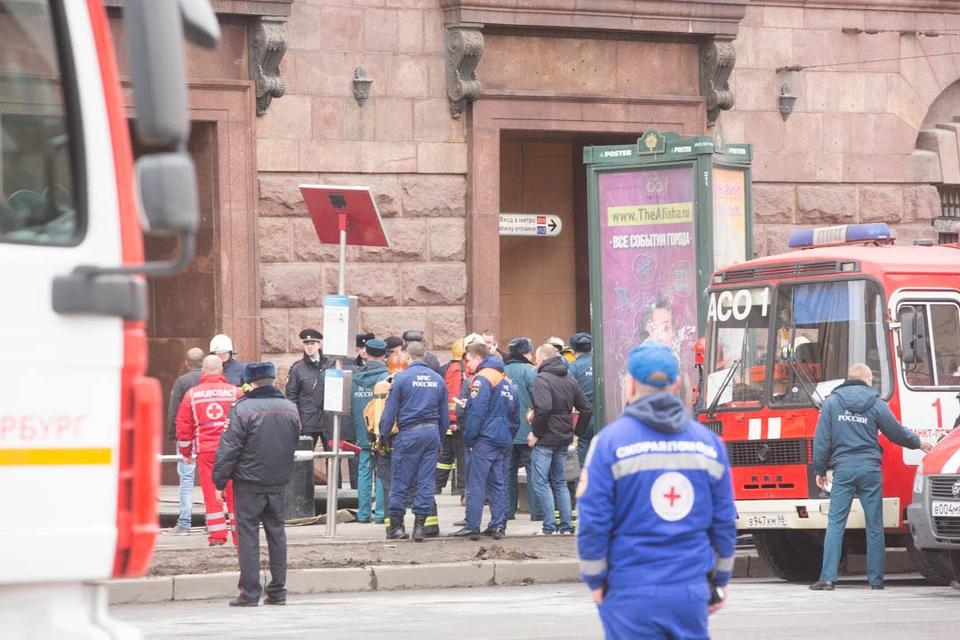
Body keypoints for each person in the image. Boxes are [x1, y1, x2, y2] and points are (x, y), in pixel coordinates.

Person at [577, 341, 737, 639]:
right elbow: (725, 521)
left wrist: (595, 579)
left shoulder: (610, 443)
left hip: (628, 590)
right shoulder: (709, 444)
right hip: (689, 591)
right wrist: (720, 579)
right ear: (676, 385)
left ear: (631, 385)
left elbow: (593, 521)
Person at [810, 364, 932, 591]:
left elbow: (821, 441)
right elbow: (895, 432)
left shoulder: (831, 403)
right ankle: (876, 580)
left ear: (848, 379)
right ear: (867, 380)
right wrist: (918, 442)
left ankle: (827, 578)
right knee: (874, 525)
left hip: (843, 470)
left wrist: (819, 470)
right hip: (870, 470)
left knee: (836, 523)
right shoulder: (876, 402)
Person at [212, 362, 300, 607]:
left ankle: (250, 593)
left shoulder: (242, 408)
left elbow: (229, 449)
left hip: (248, 484)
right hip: (278, 482)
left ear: (250, 383)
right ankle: (278, 590)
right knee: (277, 534)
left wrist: (219, 481)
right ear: (272, 380)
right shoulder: (290, 408)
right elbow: (293, 442)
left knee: (248, 537)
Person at [378, 342, 449, 542]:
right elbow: (444, 416)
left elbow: (389, 412)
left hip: (409, 434)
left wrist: (383, 436)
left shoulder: (401, 379)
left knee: (401, 480)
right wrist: (440, 439)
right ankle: (420, 527)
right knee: (425, 481)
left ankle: (397, 528)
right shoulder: (438, 380)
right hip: (432, 433)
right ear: (424, 356)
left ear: (408, 356)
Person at [451, 343, 520, 539]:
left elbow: (477, 413)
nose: (468, 365)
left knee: (476, 484)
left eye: (469, 360)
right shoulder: (506, 380)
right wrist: (507, 435)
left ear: (478, 359)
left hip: (484, 440)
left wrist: (470, 438)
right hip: (502, 439)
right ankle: (498, 525)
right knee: (498, 483)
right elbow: (514, 416)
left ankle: (472, 525)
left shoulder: (482, 379)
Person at [175, 355, 240, 546]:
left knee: (212, 496)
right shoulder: (235, 393)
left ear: (203, 372)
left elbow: (183, 427)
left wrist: (186, 452)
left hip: (206, 452)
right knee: (235, 495)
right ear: (221, 371)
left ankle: (217, 536)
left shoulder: (192, 395)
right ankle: (240, 537)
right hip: (232, 452)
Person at [529, 344, 592, 535]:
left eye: (537, 358)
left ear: (542, 359)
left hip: (546, 437)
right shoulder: (569, 379)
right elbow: (586, 409)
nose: (535, 361)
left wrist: (536, 433)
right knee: (560, 482)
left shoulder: (541, 378)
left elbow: (545, 408)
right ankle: (566, 526)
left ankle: (549, 526)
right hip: (564, 436)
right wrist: (577, 432)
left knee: (540, 482)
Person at [164, 347, 204, 536]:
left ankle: (184, 523)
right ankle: (214, 522)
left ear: (187, 363)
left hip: (187, 437)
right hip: (207, 436)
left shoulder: (182, 382)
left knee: (186, 480)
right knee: (211, 480)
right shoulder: (210, 381)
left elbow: (174, 411)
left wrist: (173, 434)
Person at [350, 339, 390, 523]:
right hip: (381, 432)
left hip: (362, 430)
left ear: (366, 353)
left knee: (364, 472)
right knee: (382, 472)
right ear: (383, 355)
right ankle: (381, 514)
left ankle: (363, 513)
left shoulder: (354, 377)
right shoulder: (386, 377)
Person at [503, 337, 542, 522]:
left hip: (507, 432)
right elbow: (538, 400)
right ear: (524, 353)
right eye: (529, 351)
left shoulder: (501, 371)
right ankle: (536, 512)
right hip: (527, 431)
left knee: (508, 472)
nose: (532, 354)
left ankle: (508, 511)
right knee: (533, 470)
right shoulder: (529, 372)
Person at [313, 355, 359, 489]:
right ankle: (357, 498)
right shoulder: (359, 372)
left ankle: (335, 497)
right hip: (354, 423)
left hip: (332, 424)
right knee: (355, 463)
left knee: (333, 462)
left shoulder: (326, 374)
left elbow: (317, 401)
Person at [285, 329, 328, 451]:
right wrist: (297, 421)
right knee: (304, 461)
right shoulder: (297, 369)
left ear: (319, 344)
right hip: (307, 422)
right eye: (306, 343)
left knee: (333, 460)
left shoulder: (329, 365)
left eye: (312, 343)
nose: (309, 347)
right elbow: (291, 397)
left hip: (328, 421)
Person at [436, 338, 467, 496]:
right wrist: (454, 420)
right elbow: (454, 395)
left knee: (451, 455)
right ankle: (461, 488)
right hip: (457, 422)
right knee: (458, 456)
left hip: (456, 420)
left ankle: (448, 485)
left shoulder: (455, 367)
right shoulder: (457, 369)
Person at [567, 332, 595, 467]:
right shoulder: (603, 364)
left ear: (573, 351)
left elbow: (567, 391)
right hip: (604, 416)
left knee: (581, 457)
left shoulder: (573, 367)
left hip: (582, 418)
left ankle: (581, 486)